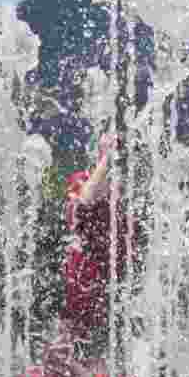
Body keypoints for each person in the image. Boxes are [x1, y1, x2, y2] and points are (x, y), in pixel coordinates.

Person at [60, 131, 133, 359]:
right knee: (74, 352)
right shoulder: (82, 180)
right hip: (83, 283)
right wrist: (106, 160)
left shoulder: (122, 198)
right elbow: (84, 201)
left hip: (111, 287)